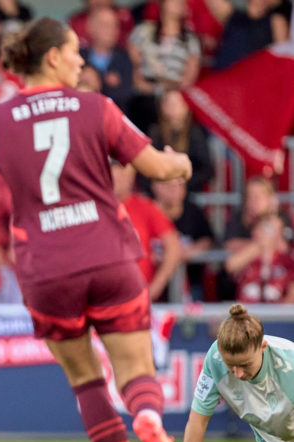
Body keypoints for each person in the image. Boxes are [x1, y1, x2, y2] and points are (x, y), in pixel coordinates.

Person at [0, 17, 192, 442]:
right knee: (136, 369)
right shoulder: (97, 107)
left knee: (86, 382)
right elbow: (157, 166)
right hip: (108, 257)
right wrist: (182, 161)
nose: (80, 60)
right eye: (75, 50)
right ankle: (151, 420)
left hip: (47, 271)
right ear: (52, 56)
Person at [182, 304, 294, 442]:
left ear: (262, 347)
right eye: (230, 365)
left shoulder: (290, 362)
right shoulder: (214, 359)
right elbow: (197, 422)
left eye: (245, 364)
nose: (238, 374)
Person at [128, 0, 201, 133]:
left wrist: (170, 92)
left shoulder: (191, 40)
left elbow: (190, 77)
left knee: (176, 110)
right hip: (146, 94)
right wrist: (151, 87)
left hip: (176, 93)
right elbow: (132, 65)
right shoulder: (144, 32)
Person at [113, 163, 182, 302]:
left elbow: (173, 247)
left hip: (138, 297)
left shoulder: (145, 207)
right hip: (103, 299)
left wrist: (155, 288)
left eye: (123, 175)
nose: (118, 180)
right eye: (114, 176)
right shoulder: (93, 208)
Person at [152, 177, 215, 301]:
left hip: (190, 283)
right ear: (156, 187)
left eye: (180, 186)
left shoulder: (193, 211)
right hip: (154, 281)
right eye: (169, 186)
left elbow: (208, 239)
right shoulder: (147, 211)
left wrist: (191, 251)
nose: (175, 190)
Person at [226, 213, 294, 303]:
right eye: (265, 227)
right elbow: (231, 266)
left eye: (273, 229)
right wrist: (259, 246)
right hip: (247, 312)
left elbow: (291, 296)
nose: (269, 232)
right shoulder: (248, 255)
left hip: (276, 312)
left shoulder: (286, 260)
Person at [79, 6, 133, 112]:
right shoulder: (79, 56)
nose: (111, 30)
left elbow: (125, 94)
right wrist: (107, 81)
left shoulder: (124, 57)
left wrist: (94, 80)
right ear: (90, 27)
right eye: (104, 25)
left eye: (115, 25)